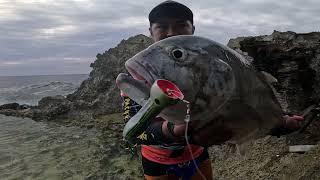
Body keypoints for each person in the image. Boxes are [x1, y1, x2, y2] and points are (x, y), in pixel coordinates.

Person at [120, 1, 304, 180]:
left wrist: (281, 123)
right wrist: (173, 130)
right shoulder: (141, 77)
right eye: (161, 26)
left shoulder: (214, 69)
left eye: (181, 25)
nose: (171, 32)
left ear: (192, 29)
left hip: (198, 157)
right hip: (157, 162)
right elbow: (135, 133)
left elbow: (248, 112)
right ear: (150, 31)